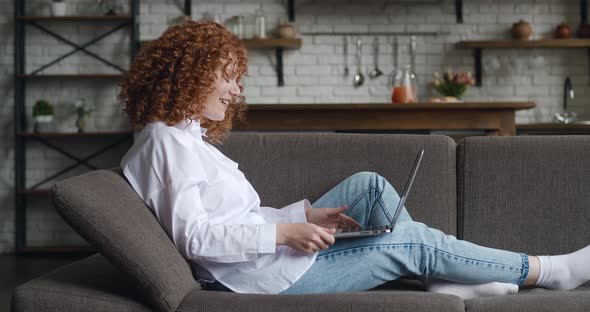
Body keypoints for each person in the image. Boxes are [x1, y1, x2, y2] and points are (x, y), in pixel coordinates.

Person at [118, 21, 590, 298]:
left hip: (258, 258)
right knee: (412, 244)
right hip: (252, 280)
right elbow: (197, 238)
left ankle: (439, 276)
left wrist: (302, 215)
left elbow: (233, 217)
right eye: (229, 76)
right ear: (193, 74)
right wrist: (286, 233)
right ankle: (547, 271)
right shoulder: (166, 144)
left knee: (369, 185)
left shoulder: (186, 139)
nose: (238, 89)